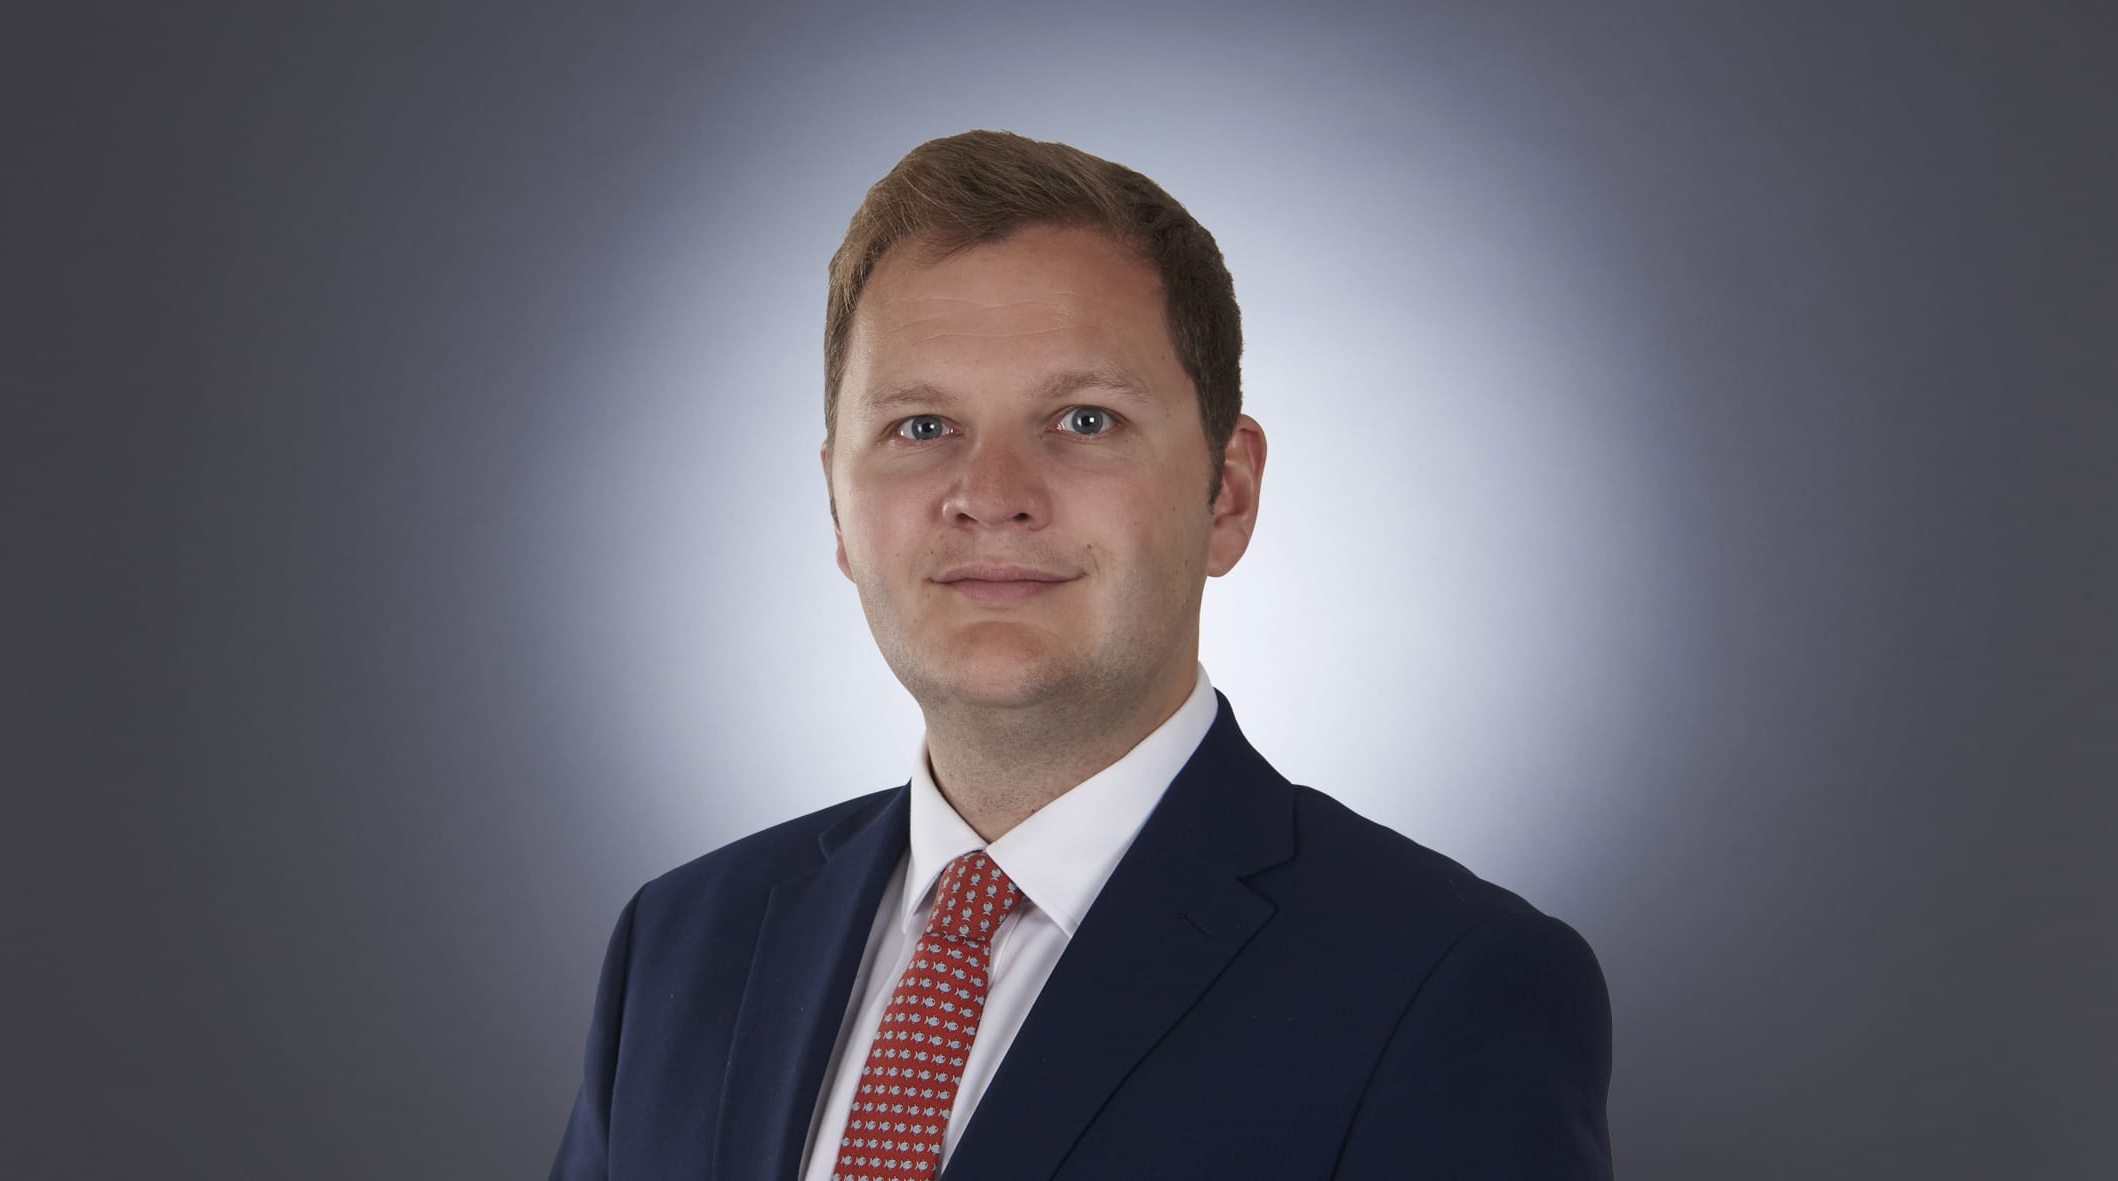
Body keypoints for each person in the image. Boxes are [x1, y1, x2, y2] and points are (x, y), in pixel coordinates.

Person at [549, 129, 1613, 1181]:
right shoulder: (680, 945)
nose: (991, 494)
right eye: (921, 426)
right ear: (837, 502)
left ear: (1228, 494)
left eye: (1084, 419)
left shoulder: (1444, 986)